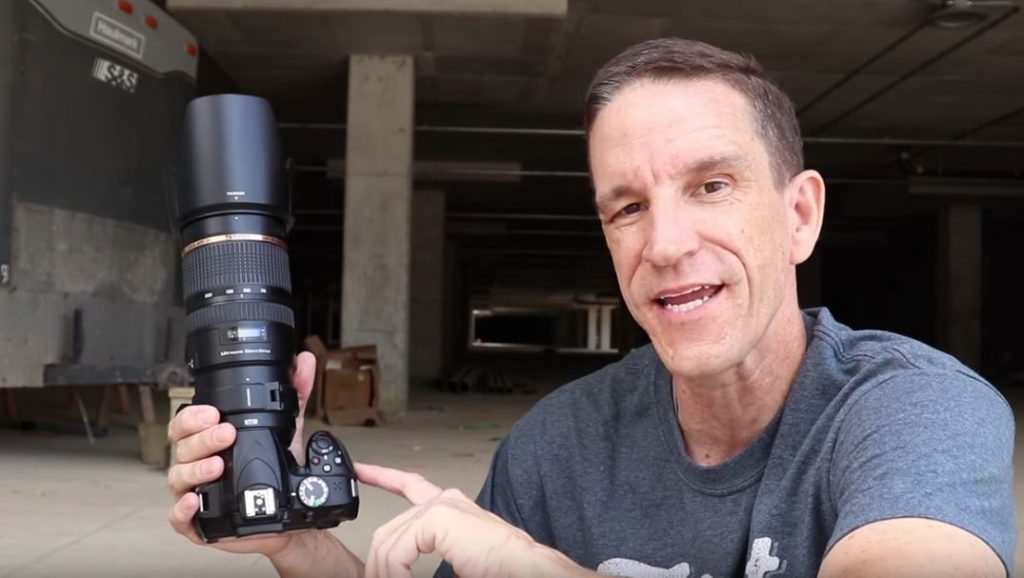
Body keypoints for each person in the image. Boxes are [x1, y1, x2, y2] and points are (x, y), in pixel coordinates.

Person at [168, 38, 1016, 578]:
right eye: (629, 207)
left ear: (800, 215)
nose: (666, 243)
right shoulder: (556, 447)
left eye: (711, 186)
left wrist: (539, 570)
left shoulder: (915, 410)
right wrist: (297, 540)